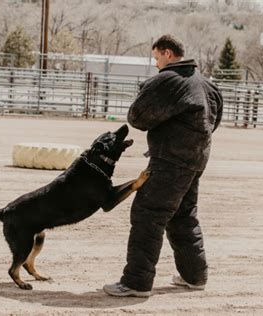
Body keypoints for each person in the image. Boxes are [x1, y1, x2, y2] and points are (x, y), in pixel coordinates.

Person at [103, 34, 223, 297]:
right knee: (183, 215)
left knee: (148, 214)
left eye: (156, 57)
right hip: (196, 159)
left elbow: (138, 117)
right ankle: (195, 276)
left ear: (168, 53)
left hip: (170, 159)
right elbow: (214, 121)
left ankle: (136, 282)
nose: (155, 63)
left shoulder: (169, 80)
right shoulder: (206, 84)